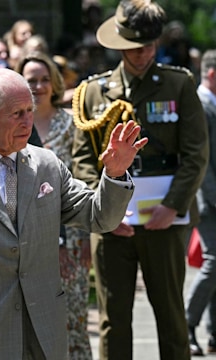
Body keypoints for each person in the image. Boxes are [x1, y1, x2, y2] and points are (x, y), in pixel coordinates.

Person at [0, 67, 145, 359]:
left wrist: (115, 173)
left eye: (29, 110)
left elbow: (100, 217)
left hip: (43, 336)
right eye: (16, 113)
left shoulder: (47, 165)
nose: (27, 121)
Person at [71, 1, 209, 359]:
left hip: (165, 217)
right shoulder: (94, 92)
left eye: (149, 45)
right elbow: (83, 160)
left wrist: (173, 205)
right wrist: (103, 212)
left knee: (170, 314)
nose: (143, 53)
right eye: (134, 47)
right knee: (113, 319)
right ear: (118, 44)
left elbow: (196, 155)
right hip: (113, 220)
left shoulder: (178, 84)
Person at [16, 51, 93, 359]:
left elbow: (81, 179)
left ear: (55, 83)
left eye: (44, 79)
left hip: (71, 233)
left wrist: (85, 235)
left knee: (73, 318)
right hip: (26, 236)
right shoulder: (14, 125)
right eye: (30, 80)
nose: (38, 86)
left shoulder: (72, 124)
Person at [185, 49, 216, 356]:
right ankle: (187, 323)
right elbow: (200, 160)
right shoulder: (201, 104)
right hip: (208, 200)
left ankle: (213, 331)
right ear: (212, 74)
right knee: (213, 262)